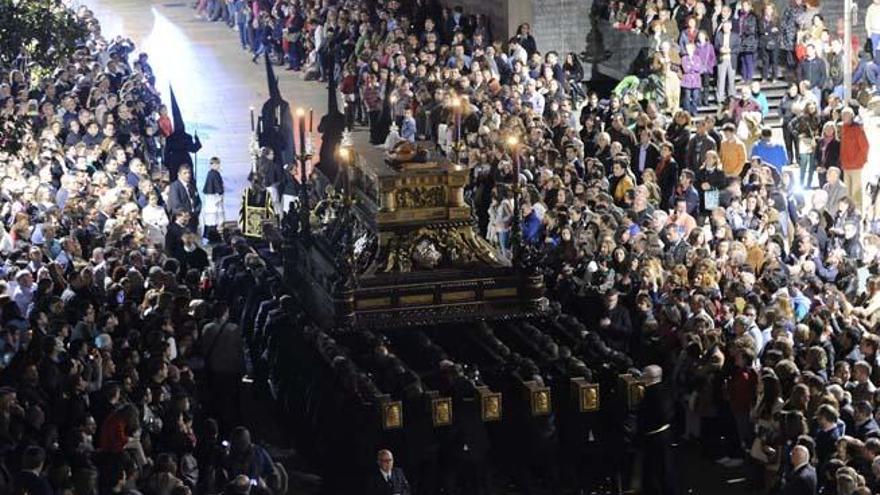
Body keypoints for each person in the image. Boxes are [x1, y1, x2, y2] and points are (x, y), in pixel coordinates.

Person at [839, 107, 870, 210]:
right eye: (843, 115)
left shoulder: (857, 129)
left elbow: (865, 146)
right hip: (846, 166)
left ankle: (857, 212)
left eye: (846, 115)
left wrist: (859, 161)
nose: (844, 117)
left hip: (856, 166)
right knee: (847, 192)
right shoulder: (843, 128)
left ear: (852, 116)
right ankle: (848, 212)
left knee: (856, 192)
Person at [167, 165, 202, 233]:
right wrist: (185, 214)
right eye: (185, 173)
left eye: (189, 173)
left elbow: (198, 202)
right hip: (182, 219)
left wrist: (195, 213)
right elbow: (176, 203)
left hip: (193, 219)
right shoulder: (175, 186)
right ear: (179, 174)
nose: (188, 175)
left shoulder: (192, 186)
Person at [202, 156, 226, 239]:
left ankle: (209, 234)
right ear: (212, 164)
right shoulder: (213, 174)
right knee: (214, 217)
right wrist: (220, 192)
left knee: (212, 217)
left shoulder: (213, 173)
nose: (218, 166)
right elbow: (217, 187)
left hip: (212, 199)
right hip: (214, 199)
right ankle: (213, 235)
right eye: (217, 164)